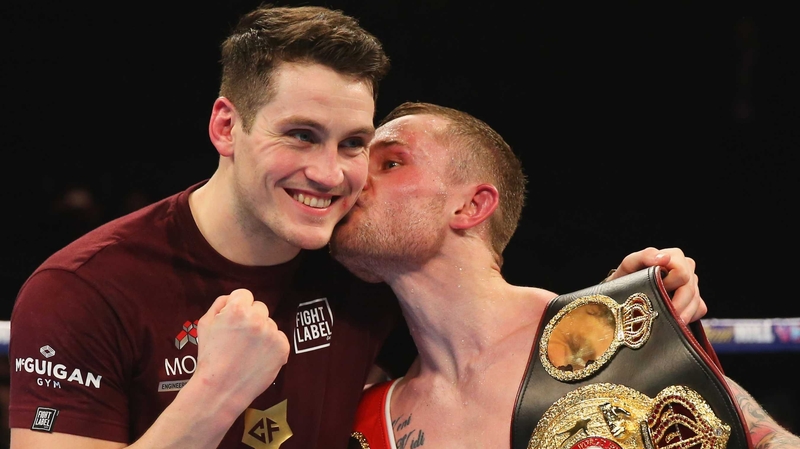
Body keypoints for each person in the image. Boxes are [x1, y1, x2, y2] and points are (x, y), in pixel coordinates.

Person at [6, 4, 705, 449]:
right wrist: (215, 392)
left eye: (356, 145)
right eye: (301, 135)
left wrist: (628, 323)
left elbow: (487, 328)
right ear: (226, 125)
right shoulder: (83, 288)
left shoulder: (354, 267)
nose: (336, 174)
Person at [329, 101, 800, 449]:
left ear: (471, 206)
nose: (351, 179)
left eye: (390, 162)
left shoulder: (616, 336)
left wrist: (642, 325)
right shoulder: (370, 417)